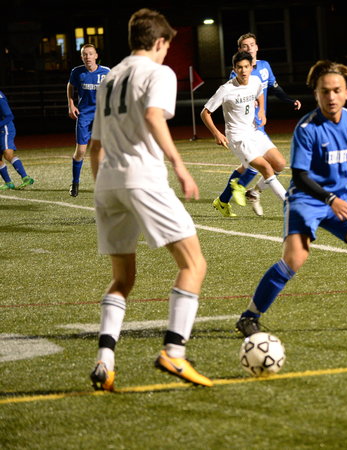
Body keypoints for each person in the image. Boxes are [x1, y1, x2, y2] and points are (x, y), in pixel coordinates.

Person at [88, 8, 211, 391]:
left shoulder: (109, 78)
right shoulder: (159, 73)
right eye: (166, 47)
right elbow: (155, 116)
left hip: (107, 184)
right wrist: (180, 166)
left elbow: (95, 147)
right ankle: (174, 352)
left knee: (122, 279)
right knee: (194, 263)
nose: (166, 53)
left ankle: (105, 361)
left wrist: (103, 188)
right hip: (143, 178)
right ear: (159, 42)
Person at [235, 60, 347, 337]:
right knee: (294, 259)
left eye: (336, 90)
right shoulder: (307, 128)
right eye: (325, 91)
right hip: (305, 200)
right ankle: (248, 317)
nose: (331, 96)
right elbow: (300, 176)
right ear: (316, 94)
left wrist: (337, 197)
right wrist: (331, 199)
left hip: (335, 200)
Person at [217, 33, 302, 217]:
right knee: (258, 166)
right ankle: (283, 203)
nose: (249, 48)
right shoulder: (239, 71)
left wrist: (288, 101)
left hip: (258, 125)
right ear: (240, 50)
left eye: (252, 45)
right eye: (245, 46)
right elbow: (234, 91)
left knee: (273, 164)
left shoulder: (264, 66)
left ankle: (234, 197)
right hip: (246, 127)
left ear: (257, 47)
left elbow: (274, 88)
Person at [200, 51, 287, 218]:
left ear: (251, 67)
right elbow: (205, 113)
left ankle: (239, 195)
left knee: (280, 164)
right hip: (238, 137)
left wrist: (261, 111)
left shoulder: (255, 81)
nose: (243, 71)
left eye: (246, 67)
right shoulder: (226, 89)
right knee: (265, 168)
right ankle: (290, 204)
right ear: (234, 69)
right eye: (239, 67)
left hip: (254, 132)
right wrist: (217, 134)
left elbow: (260, 93)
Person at [67, 43, 110, 197]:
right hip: (84, 115)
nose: (88, 57)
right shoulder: (77, 72)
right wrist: (71, 104)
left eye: (91, 54)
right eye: (85, 54)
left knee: (102, 150)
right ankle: (75, 182)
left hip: (101, 116)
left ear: (96, 56)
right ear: (82, 57)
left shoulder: (106, 72)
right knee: (81, 151)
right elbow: (70, 86)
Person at [0, 90, 35, 190]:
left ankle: (26, 178)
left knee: (8, 154)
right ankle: (8, 183)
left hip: (5, 129)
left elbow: (10, 116)